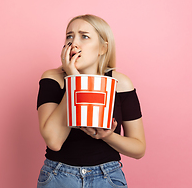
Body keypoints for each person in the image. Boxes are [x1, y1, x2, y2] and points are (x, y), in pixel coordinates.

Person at [36, 14, 146, 188]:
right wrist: (74, 81)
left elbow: (139, 148)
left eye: (84, 36)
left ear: (103, 48)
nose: (74, 43)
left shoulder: (120, 84)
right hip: (59, 176)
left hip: (108, 177)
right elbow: (54, 141)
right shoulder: (52, 79)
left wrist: (108, 136)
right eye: (69, 36)